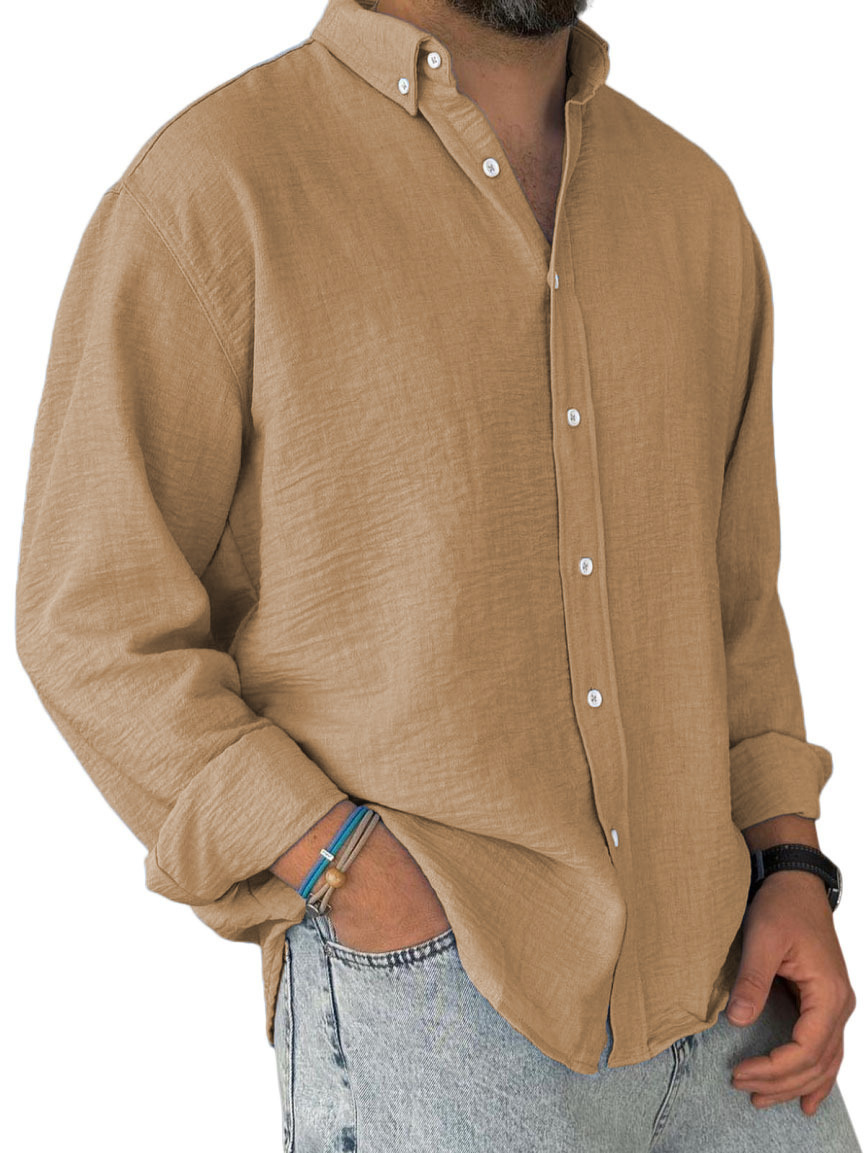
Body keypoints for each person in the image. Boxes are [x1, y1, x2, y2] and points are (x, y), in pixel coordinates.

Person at [15, 0, 861, 1149]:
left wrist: (793, 859)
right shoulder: (216, 186)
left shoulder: (691, 201)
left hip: (734, 999)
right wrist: (342, 864)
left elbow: (734, 600)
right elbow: (91, 617)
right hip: (439, 997)